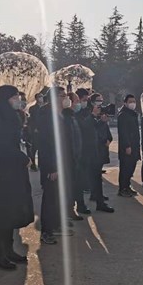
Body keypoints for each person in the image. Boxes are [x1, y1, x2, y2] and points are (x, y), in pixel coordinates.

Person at [0, 86, 34, 270]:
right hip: (2, 172)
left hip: (13, 170)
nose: (18, 99)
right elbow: (1, 145)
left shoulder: (13, 115)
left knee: (11, 212)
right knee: (1, 214)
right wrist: (22, 158)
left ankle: (8, 250)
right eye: (15, 96)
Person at [38, 87, 73, 244]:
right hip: (52, 165)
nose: (66, 98)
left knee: (59, 197)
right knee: (50, 198)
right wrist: (52, 167)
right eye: (62, 96)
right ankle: (46, 231)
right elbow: (46, 145)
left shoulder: (63, 114)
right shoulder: (46, 116)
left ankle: (57, 225)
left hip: (63, 162)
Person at [88, 92, 114, 212]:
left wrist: (109, 139)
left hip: (101, 150)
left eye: (101, 100)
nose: (100, 103)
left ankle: (97, 196)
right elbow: (93, 133)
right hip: (94, 151)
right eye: (98, 100)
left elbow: (106, 131)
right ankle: (99, 200)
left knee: (97, 176)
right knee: (95, 177)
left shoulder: (99, 116)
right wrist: (101, 121)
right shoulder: (89, 116)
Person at [63, 92, 84, 221]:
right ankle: (68, 210)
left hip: (76, 157)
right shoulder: (66, 118)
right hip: (70, 159)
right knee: (69, 187)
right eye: (76, 101)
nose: (78, 103)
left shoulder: (72, 116)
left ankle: (72, 208)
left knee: (75, 185)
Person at [117, 94, 140, 197]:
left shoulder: (132, 114)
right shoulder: (123, 115)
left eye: (134, 101)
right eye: (130, 102)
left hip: (134, 145)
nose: (132, 103)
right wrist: (127, 146)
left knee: (131, 168)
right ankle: (122, 189)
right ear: (125, 103)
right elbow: (123, 132)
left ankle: (127, 186)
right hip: (127, 147)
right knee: (125, 168)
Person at [27, 93, 44, 171]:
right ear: (36, 98)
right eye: (39, 97)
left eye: (42, 97)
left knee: (41, 149)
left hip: (42, 131)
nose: (41, 98)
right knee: (34, 148)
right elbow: (32, 119)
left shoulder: (44, 107)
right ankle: (33, 164)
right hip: (35, 131)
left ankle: (41, 164)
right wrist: (34, 128)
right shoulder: (33, 108)